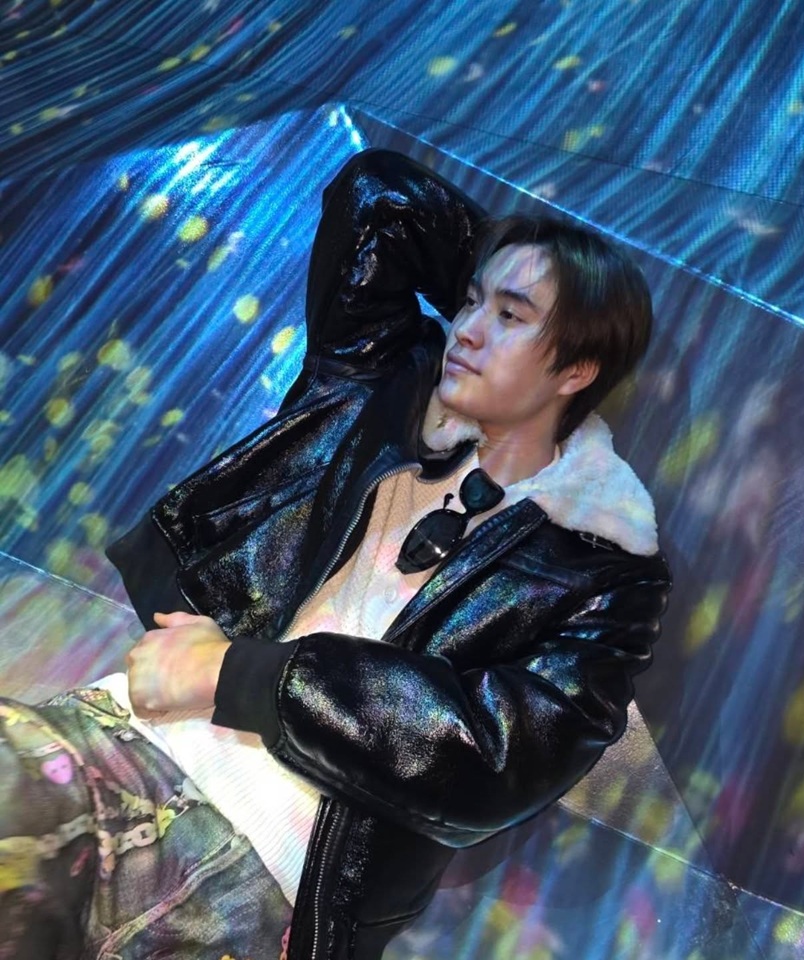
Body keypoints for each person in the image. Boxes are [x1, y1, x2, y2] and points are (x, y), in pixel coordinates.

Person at [0, 149, 671, 959]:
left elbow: (494, 760)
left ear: (578, 367)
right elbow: (377, 198)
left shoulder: (608, 572)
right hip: (132, 743)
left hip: (265, 875)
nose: (466, 329)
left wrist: (241, 675)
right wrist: (518, 262)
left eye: (510, 316)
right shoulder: (380, 392)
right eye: (469, 301)